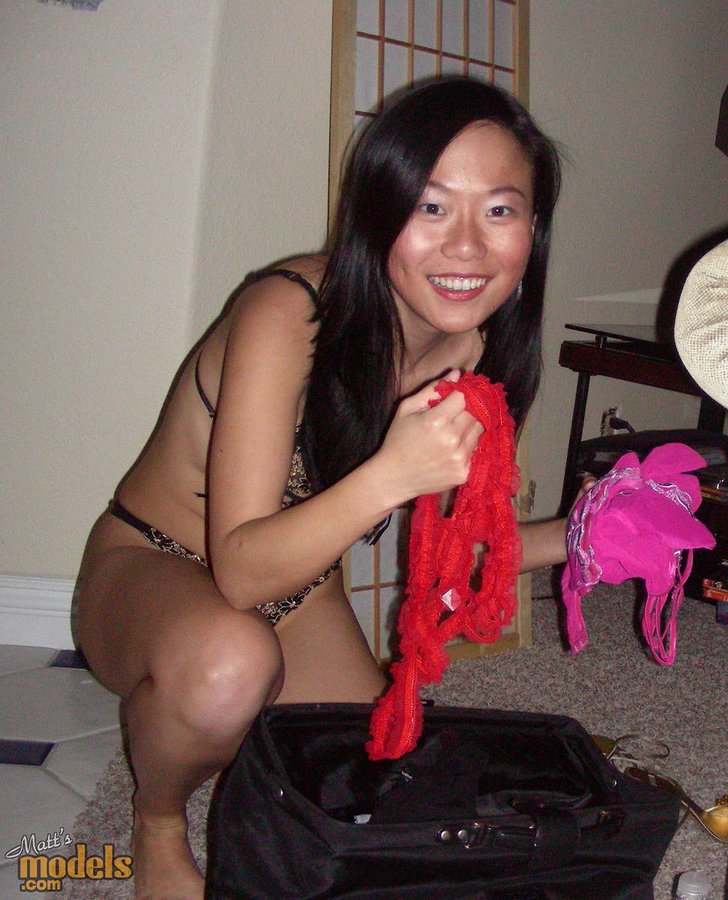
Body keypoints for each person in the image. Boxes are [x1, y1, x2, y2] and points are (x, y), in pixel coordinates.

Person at [73, 77, 564, 897]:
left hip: (298, 595)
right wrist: (393, 471)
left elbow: (460, 552)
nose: (467, 246)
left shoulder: (479, 354)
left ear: (533, 228)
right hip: (151, 565)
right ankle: (156, 818)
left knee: (382, 780)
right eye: (432, 207)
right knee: (230, 667)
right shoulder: (290, 311)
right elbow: (239, 572)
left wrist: (583, 537)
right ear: (378, 211)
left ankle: (237, 741)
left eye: (500, 211)